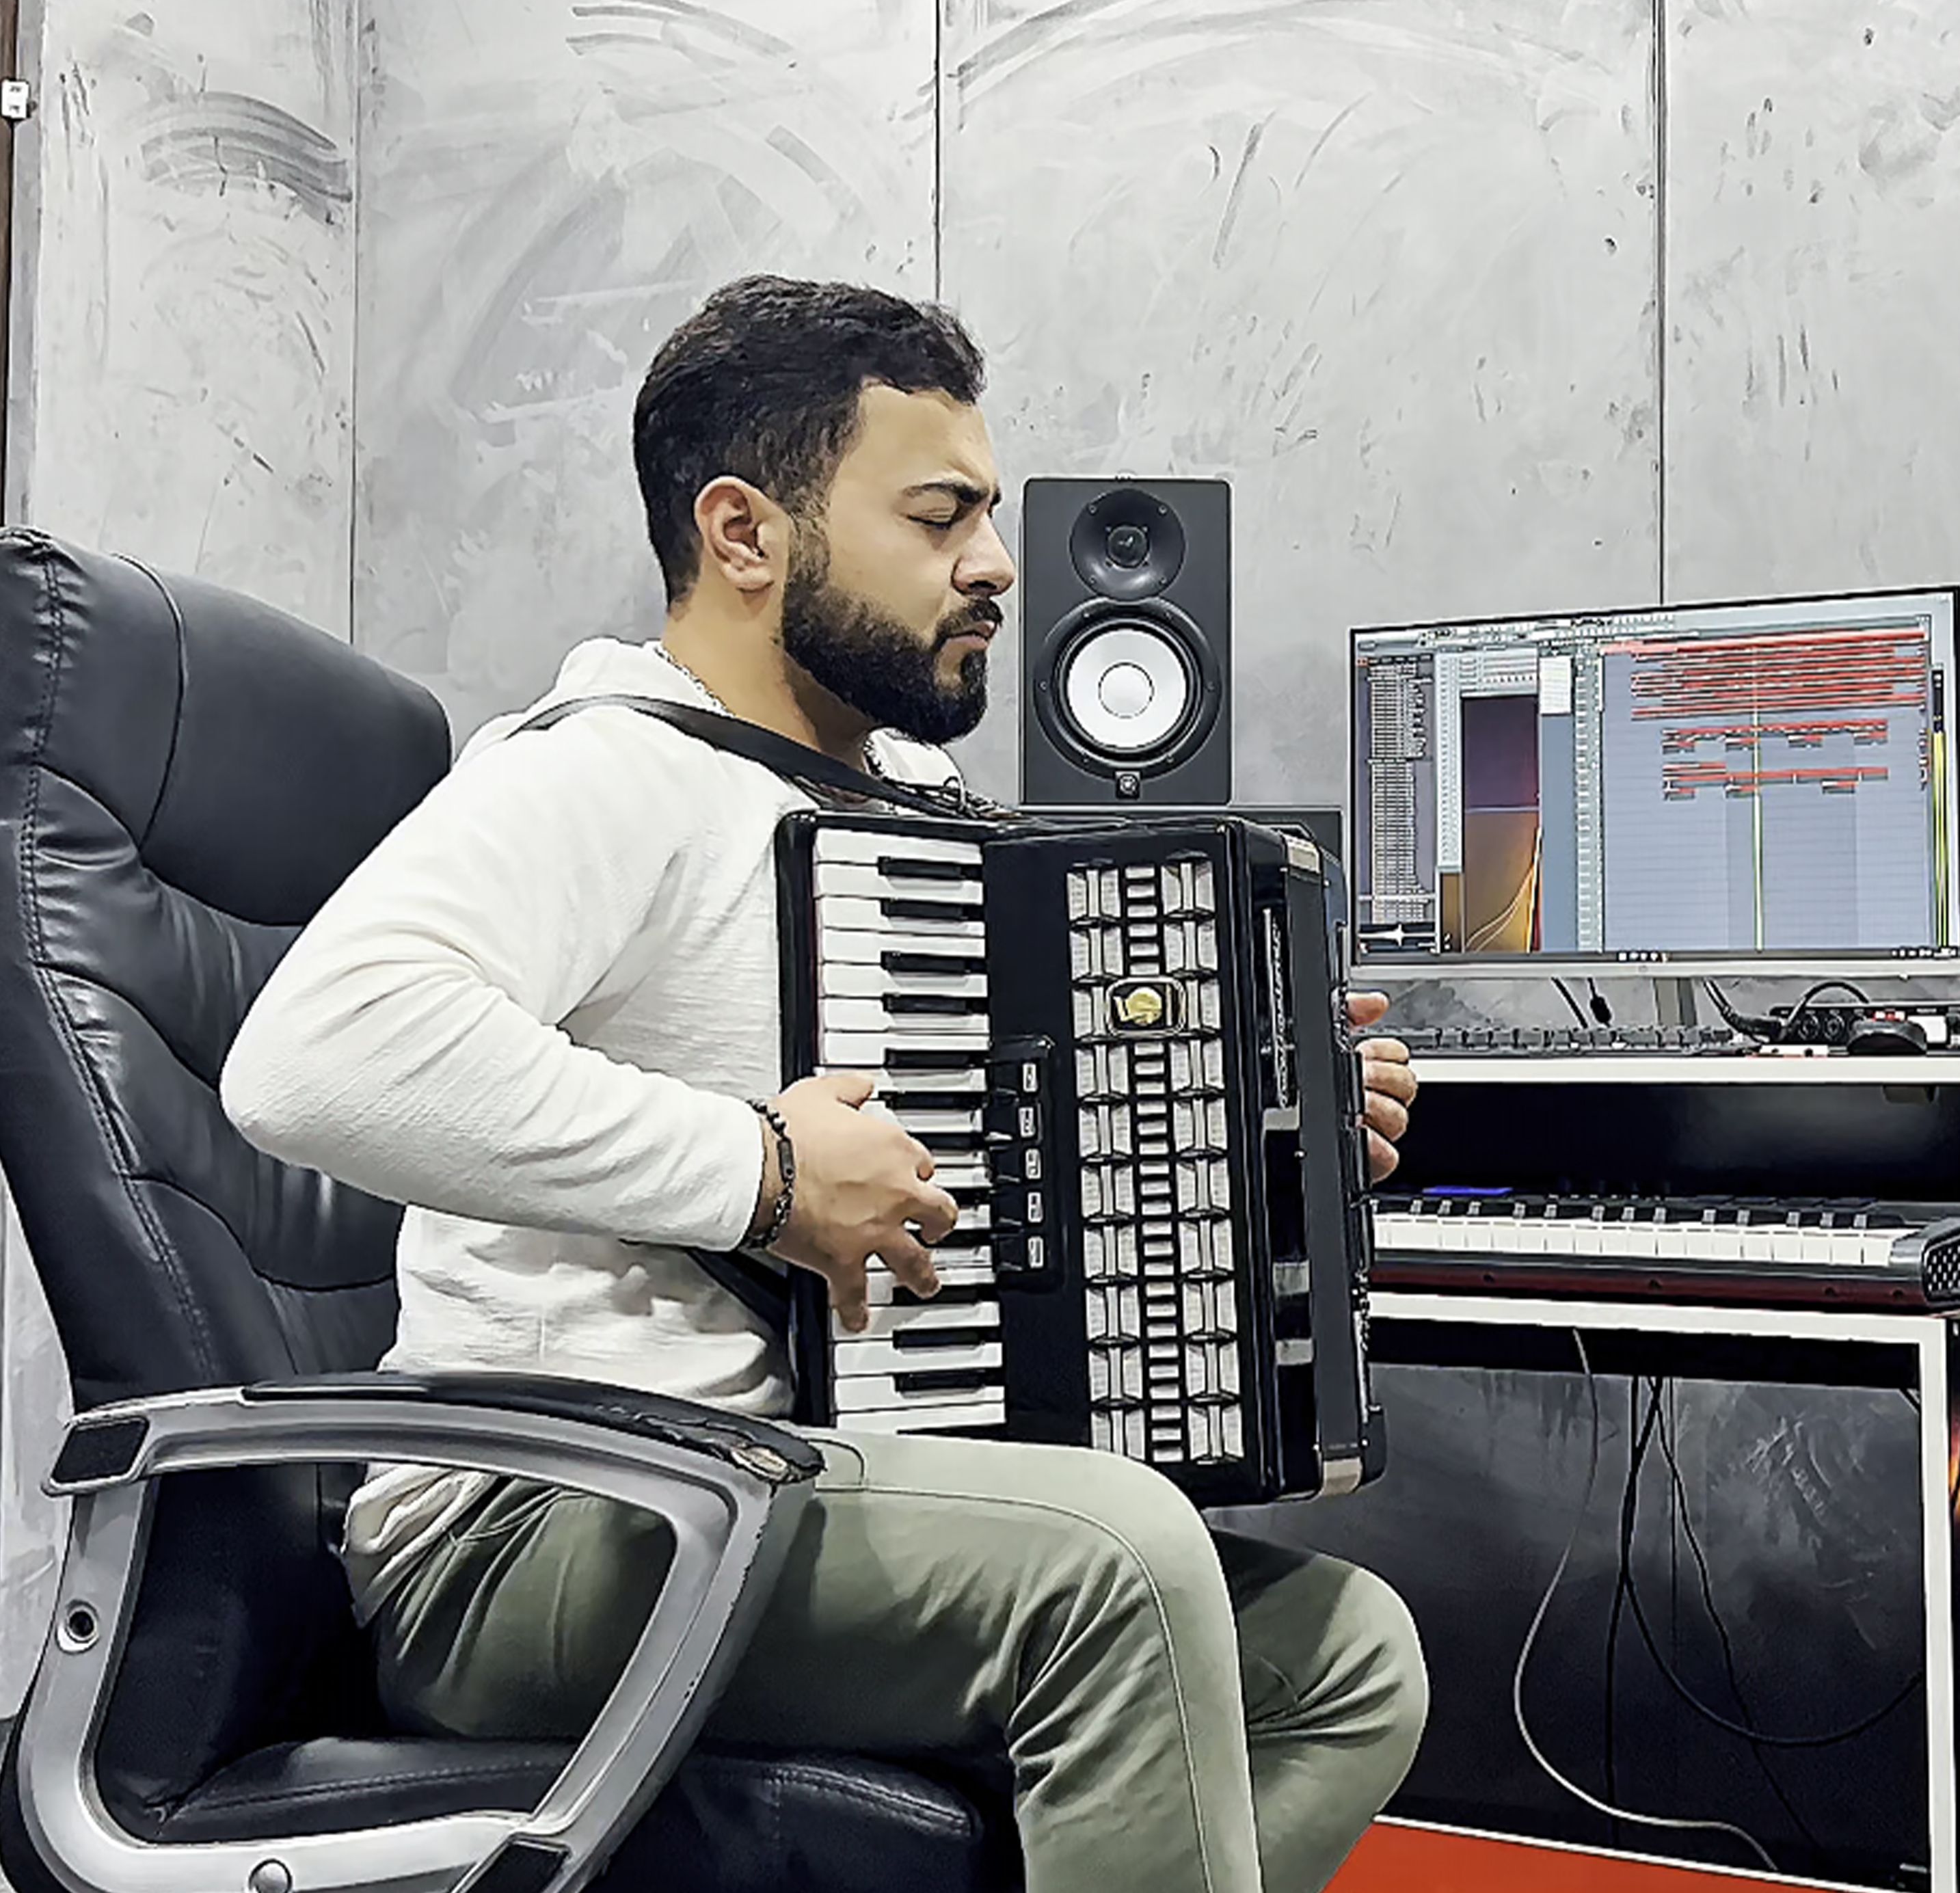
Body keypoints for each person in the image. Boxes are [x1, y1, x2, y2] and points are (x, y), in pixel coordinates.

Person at [221, 275, 1427, 1893]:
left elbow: (1019, 1151)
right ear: (744, 534)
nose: (995, 563)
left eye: (986, 513)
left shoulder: (908, 796)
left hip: (793, 1498)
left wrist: (1268, 1125)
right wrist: (761, 1175)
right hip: (542, 1527)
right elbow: (316, 1057)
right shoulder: (604, 767)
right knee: (1119, 1565)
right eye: (939, 518)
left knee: (1348, 1657)